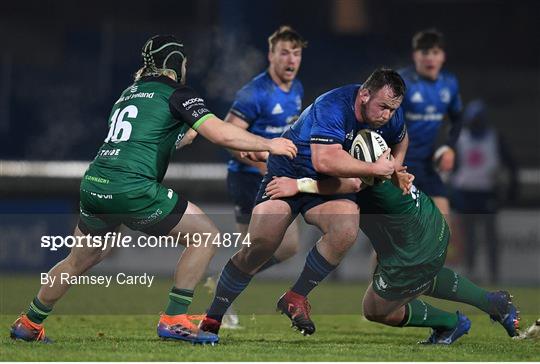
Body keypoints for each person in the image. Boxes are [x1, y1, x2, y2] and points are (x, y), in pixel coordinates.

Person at [9, 34, 297, 344]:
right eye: (183, 62)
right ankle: (174, 319)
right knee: (205, 236)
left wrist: (182, 137)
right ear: (175, 64)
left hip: (95, 184)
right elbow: (221, 134)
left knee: (81, 257)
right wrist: (269, 143)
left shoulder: (128, 94)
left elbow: (145, 139)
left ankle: (29, 322)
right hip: (131, 186)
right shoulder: (178, 93)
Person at [200, 68, 410, 336]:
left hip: (328, 181)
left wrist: (395, 168)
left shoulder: (388, 112)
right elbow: (325, 159)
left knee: (345, 230)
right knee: (261, 245)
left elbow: (402, 140)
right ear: (365, 95)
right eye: (383, 107)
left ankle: (296, 297)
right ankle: (214, 315)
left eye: (393, 110)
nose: (387, 115)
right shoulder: (333, 105)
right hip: (290, 169)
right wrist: (377, 170)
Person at [263, 173, 521, 344]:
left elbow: (349, 184)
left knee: (375, 309)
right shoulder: (380, 153)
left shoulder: (360, 174)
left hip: (413, 251)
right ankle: (492, 302)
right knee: (420, 279)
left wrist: (297, 184)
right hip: (429, 229)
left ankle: (451, 323)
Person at [225, 25, 306, 275]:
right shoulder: (255, 93)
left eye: (296, 53)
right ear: (271, 56)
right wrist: (262, 165)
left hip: (275, 179)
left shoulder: (296, 89)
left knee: (288, 246)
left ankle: (224, 279)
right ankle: (221, 301)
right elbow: (230, 137)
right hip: (248, 179)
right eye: (284, 53)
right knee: (252, 249)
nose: (291, 59)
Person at [450, 100, 518, 283]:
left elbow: (510, 165)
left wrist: (512, 189)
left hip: (486, 193)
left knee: (490, 237)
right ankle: (471, 272)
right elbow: (452, 168)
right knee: (469, 237)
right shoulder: (461, 138)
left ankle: (493, 273)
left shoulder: (494, 138)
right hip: (465, 194)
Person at [399, 29, 463, 217]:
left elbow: (457, 119)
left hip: (427, 165)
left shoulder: (449, 83)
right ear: (414, 55)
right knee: (399, 235)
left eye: (435, 53)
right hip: (400, 165)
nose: (430, 58)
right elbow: (385, 125)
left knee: (443, 224)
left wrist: (449, 148)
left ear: (443, 56)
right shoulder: (401, 82)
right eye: (424, 53)